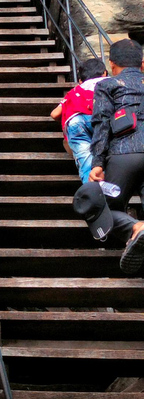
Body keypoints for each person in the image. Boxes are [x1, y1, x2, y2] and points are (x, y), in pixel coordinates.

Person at [86, 39, 144, 273]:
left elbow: (101, 125)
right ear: (142, 63)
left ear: (111, 63)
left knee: (99, 207)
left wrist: (97, 163)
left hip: (124, 153)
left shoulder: (108, 85)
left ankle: (136, 227)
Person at [51, 58, 108, 183]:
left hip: (76, 121)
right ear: (105, 73)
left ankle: (92, 193)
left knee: (86, 160)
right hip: (103, 119)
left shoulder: (76, 90)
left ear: (80, 80)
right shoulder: (111, 83)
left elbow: (54, 114)